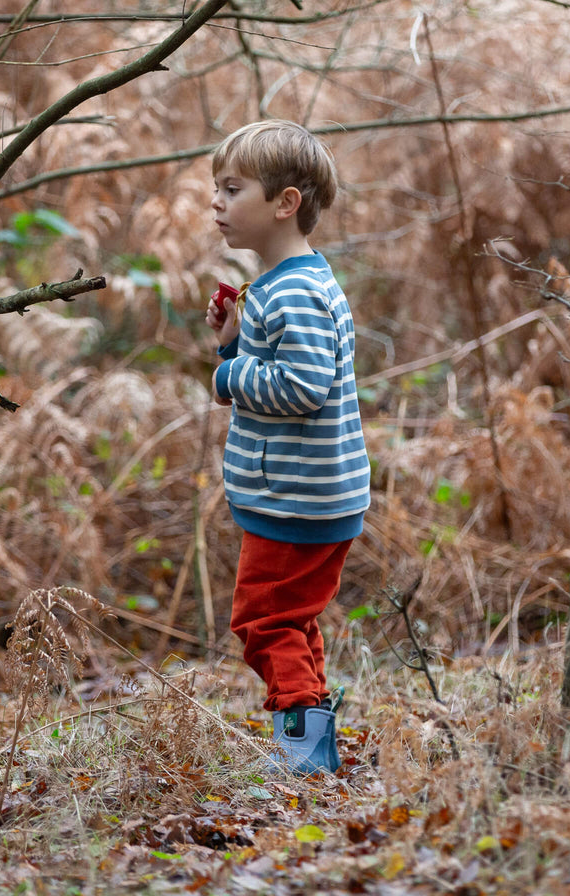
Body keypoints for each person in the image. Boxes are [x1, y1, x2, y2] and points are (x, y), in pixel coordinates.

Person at [205, 119, 371, 775]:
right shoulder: (288, 282)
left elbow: (301, 387)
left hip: (298, 498)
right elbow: (285, 372)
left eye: (232, 189)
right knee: (292, 620)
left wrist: (227, 376)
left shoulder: (294, 290)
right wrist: (234, 344)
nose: (216, 202)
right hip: (309, 491)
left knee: (264, 622)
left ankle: (301, 754)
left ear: (285, 202)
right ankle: (315, 747)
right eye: (217, 189)